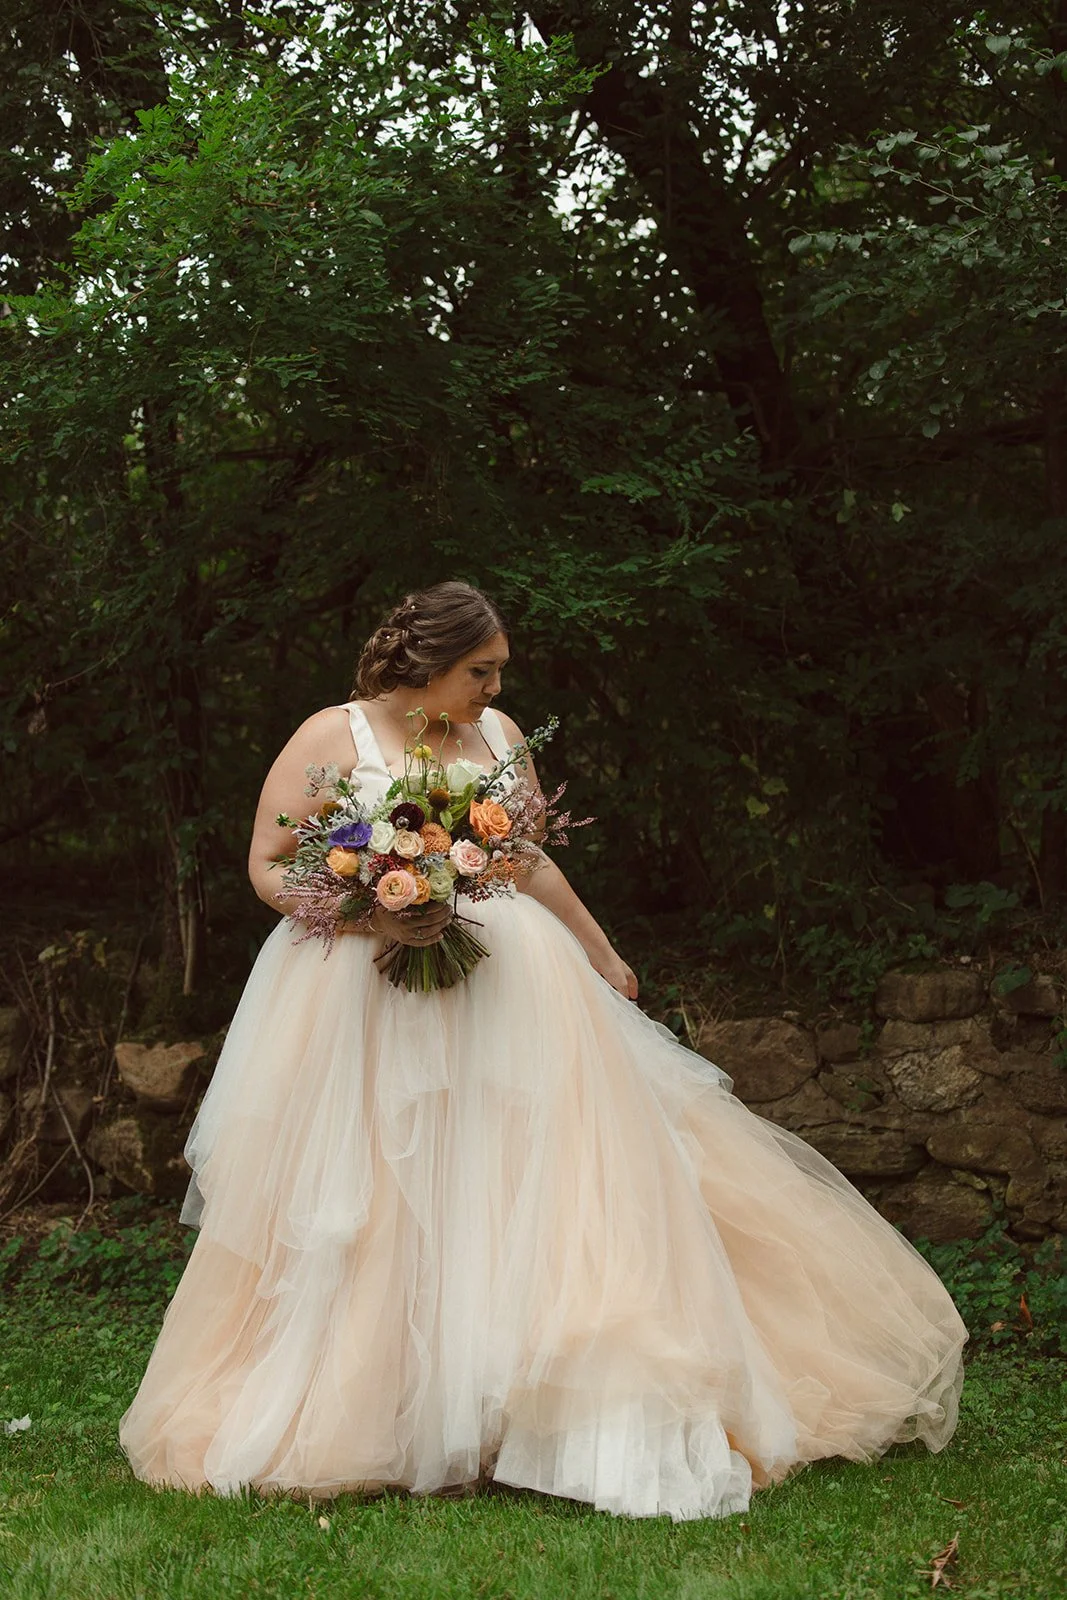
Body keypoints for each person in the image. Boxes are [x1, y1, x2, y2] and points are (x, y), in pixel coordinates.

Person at [120, 580, 966, 1521]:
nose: (491, 688)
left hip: (509, 987)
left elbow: (527, 857)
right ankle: (381, 1404)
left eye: (496, 674)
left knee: (524, 1176)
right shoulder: (333, 736)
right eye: (479, 671)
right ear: (428, 664)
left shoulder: (501, 737)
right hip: (355, 994)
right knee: (374, 1193)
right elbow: (269, 865)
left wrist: (601, 951)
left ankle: (524, 1404)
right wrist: (372, 913)